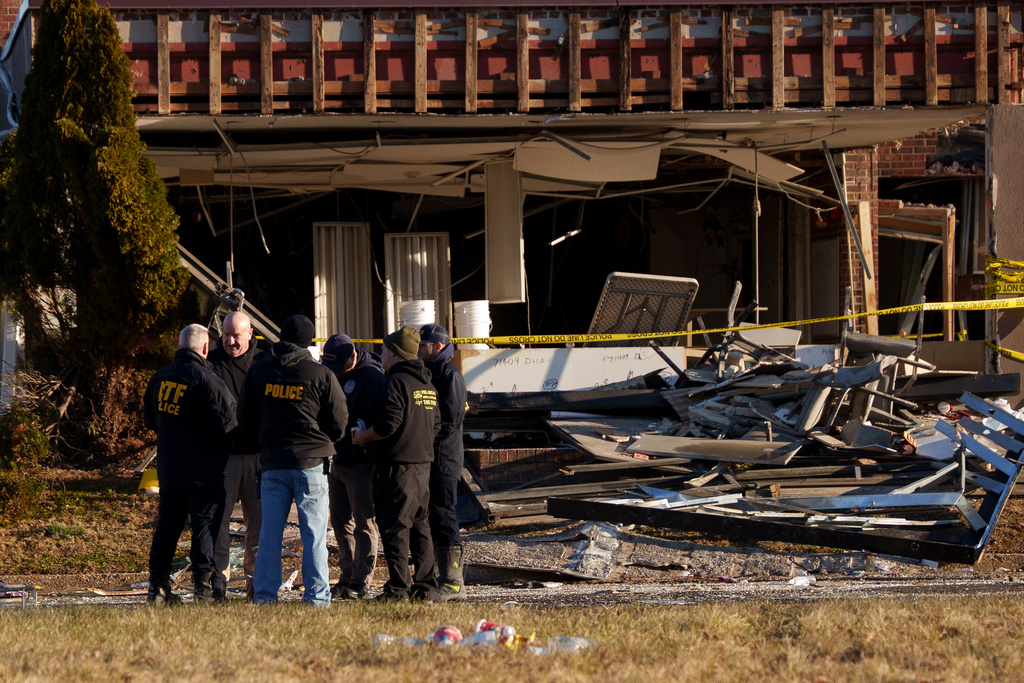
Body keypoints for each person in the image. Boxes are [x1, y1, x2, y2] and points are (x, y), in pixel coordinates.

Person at [239, 314, 348, 607]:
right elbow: (339, 422)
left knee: (269, 535)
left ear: (281, 337)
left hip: (272, 462)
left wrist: (263, 439)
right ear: (309, 342)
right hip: (311, 463)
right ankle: (317, 598)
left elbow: (245, 420)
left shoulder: (259, 372)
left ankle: (264, 597)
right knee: (313, 535)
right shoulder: (320, 374)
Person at [143, 323, 237, 605]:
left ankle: (157, 588)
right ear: (205, 348)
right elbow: (230, 425)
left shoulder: (159, 377)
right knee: (204, 527)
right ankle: (204, 589)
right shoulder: (208, 379)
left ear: (179, 344)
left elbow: (150, 421)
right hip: (203, 470)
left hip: (170, 469)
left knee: (167, 527)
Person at [353, 326, 440, 602]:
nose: (380, 354)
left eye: (383, 349)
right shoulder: (427, 384)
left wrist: (362, 437)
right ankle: (425, 585)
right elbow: (437, 424)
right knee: (420, 526)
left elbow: (388, 424)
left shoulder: (396, 382)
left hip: (397, 467)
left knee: (395, 526)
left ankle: (398, 588)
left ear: (393, 352)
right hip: (423, 465)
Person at [321, 333, 387, 600]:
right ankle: (347, 574)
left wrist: (363, 438)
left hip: (361, 462)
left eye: (340, 367)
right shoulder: (332, 373)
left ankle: (362, 579)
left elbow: (382, 419)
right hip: (336, 459)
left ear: (353, 357)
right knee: (339, 521)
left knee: (364, 521)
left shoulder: (371, 378)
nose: (336, 373)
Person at [207, 310, 265, 601]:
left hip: (258, 457)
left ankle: (255, 582)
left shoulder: (263, 363)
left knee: (259, 523)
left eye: (236, 336)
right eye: (225, 335)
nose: (229, 341)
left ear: (250, 333)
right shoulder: (212, 362)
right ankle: (219, 580)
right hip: (224, 457)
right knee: (219, 522)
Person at [418, 323, 469, 601]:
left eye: (422, 346)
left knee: (445, 516)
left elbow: (450, 422)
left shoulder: (449, 376)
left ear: (436, 347)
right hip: (431, 458)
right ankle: (444, 576)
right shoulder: (431, 374)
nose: (418, 351)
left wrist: (426, 441)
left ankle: (453, 582)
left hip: (444, 460)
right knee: (434, 517)